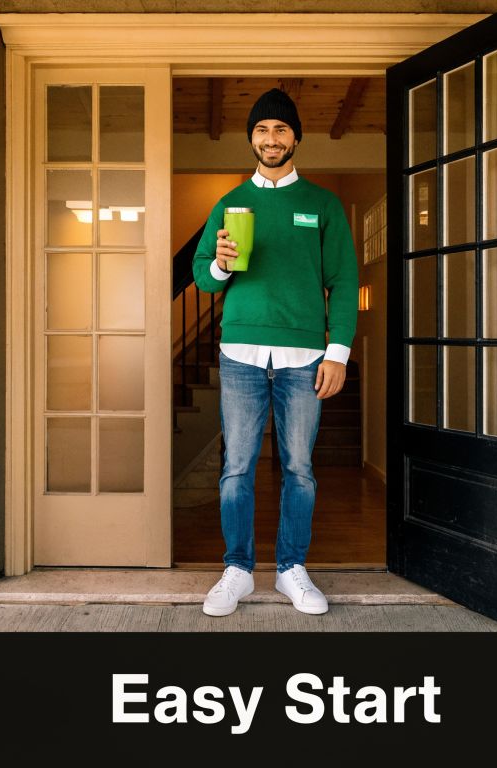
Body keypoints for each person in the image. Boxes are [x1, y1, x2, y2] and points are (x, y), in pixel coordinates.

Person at [191, 88, 358, 617]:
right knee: (236, 467)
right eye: (262, 130)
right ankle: (237, 570)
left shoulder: (322, 205)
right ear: (251, 140)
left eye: (281, 130)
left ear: (295, 139)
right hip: (240, 352)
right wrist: (219, 263)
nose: (271, 139)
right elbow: (203, 276)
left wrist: (338, 353)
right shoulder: (230, 203)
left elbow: (345, 281)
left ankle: (291, 570)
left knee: (299, 468)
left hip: (305, 357)